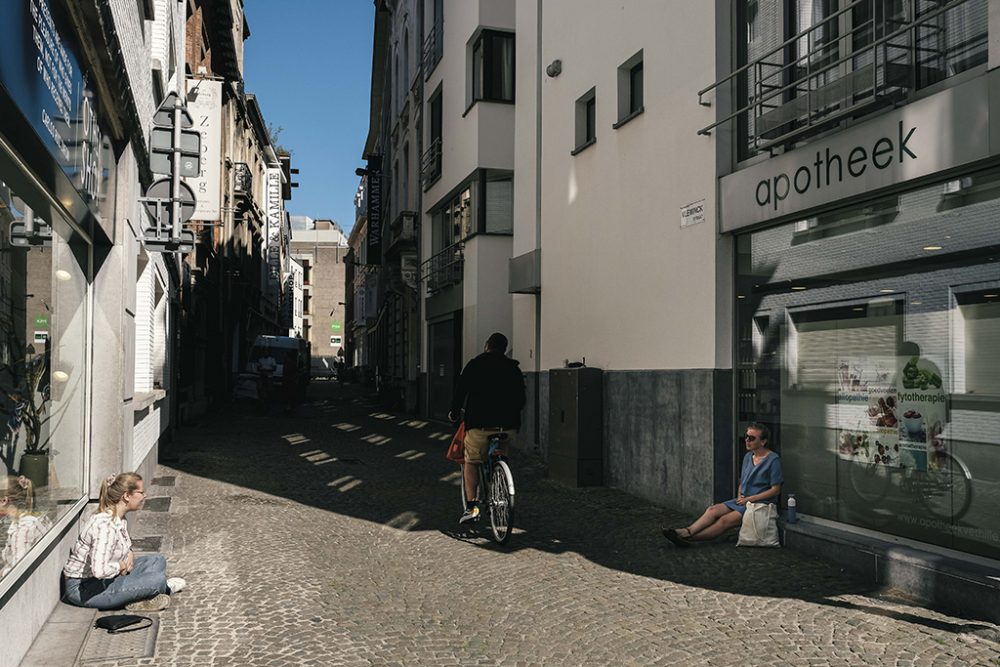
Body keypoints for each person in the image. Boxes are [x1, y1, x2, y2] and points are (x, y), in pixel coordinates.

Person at [62, 473, 186, 611]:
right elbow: (99, 571)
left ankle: (138, 597)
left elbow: (121, 547)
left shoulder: (120, 518)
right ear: (127, 496)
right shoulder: (105, 527)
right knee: (157, 580)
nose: (144, 496)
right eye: (141, 492)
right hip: (84, 588)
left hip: (107, 578)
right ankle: (163, 589)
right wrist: (120, 565)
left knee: (157, 560)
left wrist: (130, 554)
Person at [663, 422, 783, 547]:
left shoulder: (773, 460)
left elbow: (776, 490)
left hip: (759, 503)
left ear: (763, 442)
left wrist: (749, 499)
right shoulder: (748, 457)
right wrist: (739, 496)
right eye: (746, 436)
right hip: (743, 500)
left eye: (752, 438)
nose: (747, 440)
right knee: (712, 510)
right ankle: (687, 531)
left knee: (724, 520)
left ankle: (689, 538)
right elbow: (742, 481)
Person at [448, 332, 525, 524]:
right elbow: (522, 399)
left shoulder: (475, 365)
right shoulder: (513, 368)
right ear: (504, 349)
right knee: (501, 450)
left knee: (471, 461)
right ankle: (500, 471)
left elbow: (460, 391)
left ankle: (472, 506)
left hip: (480, 425)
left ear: (487, 346)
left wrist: (454, 412)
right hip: (508, 426)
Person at [1, 475, 51, 577]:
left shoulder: (21, 530)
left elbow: (16, 573)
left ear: (4, 501)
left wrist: (1, 572)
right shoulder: (38, 517)